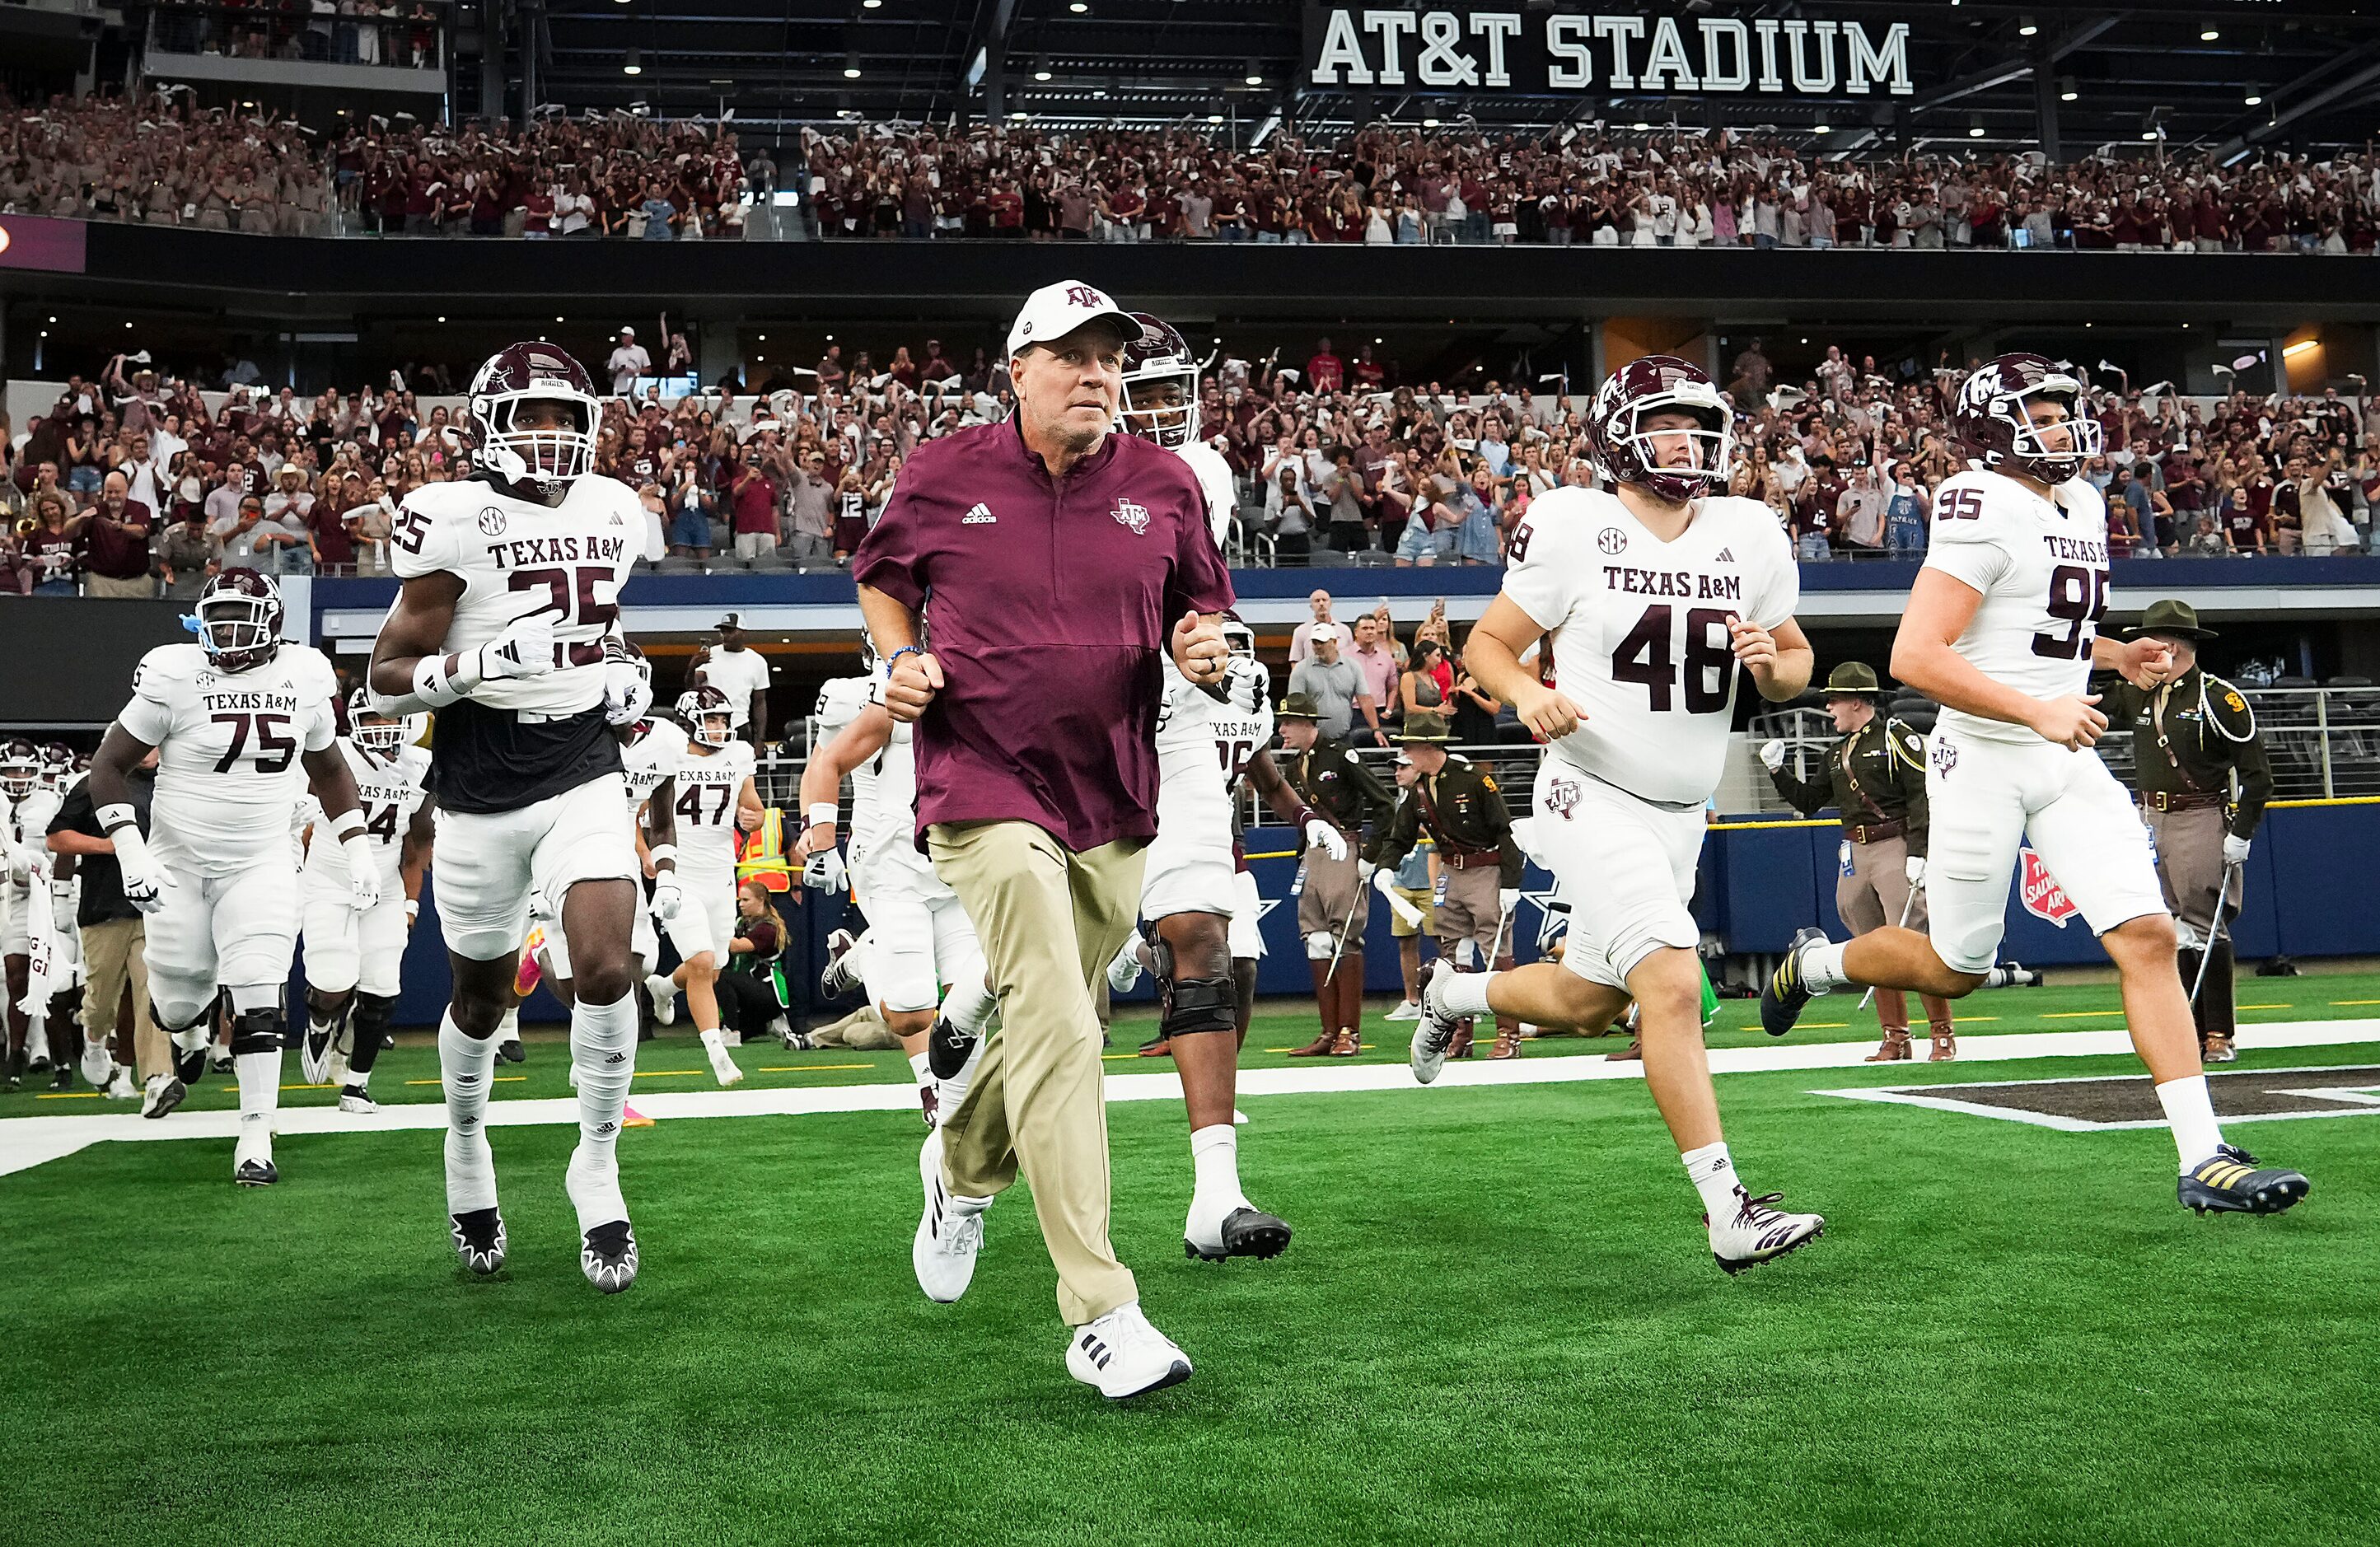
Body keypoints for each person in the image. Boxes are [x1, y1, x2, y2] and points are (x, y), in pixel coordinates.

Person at [1761, 353, 2309, 1220]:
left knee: (2150, 937)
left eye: (2064, 410)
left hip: (2061, 760)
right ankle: (1819, 962)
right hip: (1979, 757)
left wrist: (2113, 655)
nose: (2063, 425)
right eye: (2043, 413)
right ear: (1996, 425)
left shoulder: (2083, 501)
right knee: (1954, 969)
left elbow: (2042, 625)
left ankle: (2203, 1155)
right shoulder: (1976, 502)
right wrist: (2037, 711)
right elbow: (1916, 656)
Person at [852, 280, 1232, 1400]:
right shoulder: (940, 474)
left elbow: (1196, 611)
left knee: (1045, 1009)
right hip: (980, 784)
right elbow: (880, 577)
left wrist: (1200, 649)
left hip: (1113, 792)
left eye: (1110, 359)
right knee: (1065, 1018)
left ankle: (960, 1167)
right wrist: (899, 658)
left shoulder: (1163, 484)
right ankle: (1102, 1310)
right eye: (1071, 356)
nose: (1097, 375)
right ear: (1016, 370)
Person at [1431, 353, 1830, 1274]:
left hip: (1682, 808)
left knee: (1586, 999)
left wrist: (1775, 663)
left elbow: (1798, 659)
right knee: (1675, 986)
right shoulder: (1576, 523)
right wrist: (1527, 694)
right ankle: (1727, 1212)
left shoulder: (1748, 530)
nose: (1685, 442)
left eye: (1696, 425)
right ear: (1621, 435)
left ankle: (1451, 994)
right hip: (1588, 789)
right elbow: (1488, 644)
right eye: (1665, 426)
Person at [366, 341, 657, 1291]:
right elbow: (382, 679)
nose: (551, 433)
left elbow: (597, 618)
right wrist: (468, 672)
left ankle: (598, 1166)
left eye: (565, 416)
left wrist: (619, 668)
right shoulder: (451, 519)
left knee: (608, 969)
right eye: (531, 416)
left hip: (582, 762)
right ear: (490, 424)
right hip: (481, 784)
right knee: (485, 997)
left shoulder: (615, 507)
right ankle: (464, 1144)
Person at [1101, 311, 1337, 1260]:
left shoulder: (1203, 471)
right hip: (1074, 728)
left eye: (1170, 392)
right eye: (1142, 392)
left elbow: (1197, 596)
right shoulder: (1038, 470)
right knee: (1032, 972)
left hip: (1181, 720)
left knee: (1199, 935)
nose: (1160, 412)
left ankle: (1216, 1196)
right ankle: (958, 1058)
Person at [88, 569, 367, 1185]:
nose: (229, 633)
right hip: (179, 863)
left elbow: (329, 769)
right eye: (219, 620)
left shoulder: (302, 676)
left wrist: (358, 847)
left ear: (272, 624)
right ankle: (190, 1030)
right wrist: (132, 850)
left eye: (243, 619)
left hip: (261, 860)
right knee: (180, 1002)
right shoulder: (174, 673)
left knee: (259, 989)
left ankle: (256, 1135)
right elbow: (107, 766)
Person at [795, 662, 999, 1124]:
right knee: (910, 1014)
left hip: (959, 855)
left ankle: (955, 1111)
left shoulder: (982, 674)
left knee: (971, 994)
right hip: (889, 853)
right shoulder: (863, 693)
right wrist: (818, 834)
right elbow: (823, 764)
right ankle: (862, 958)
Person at [2097, 601, 2272, 1064]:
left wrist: (2243, 832)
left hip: (2199, 816)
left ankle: (2218, 1032)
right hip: (2149, 820)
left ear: (2171, 646)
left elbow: (2257, 775)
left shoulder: (2219, 698)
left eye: (2149, 643)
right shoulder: (2135, 692)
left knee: (2203, 923)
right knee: (2167, 927)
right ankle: (2184, 1029)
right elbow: (2086, 693)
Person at [1759, 662, 1957, 1062]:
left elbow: (1921, 796)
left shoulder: (1898, 738)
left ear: (1856, 701)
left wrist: (1918, 851)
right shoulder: (1836, 754)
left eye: (1834, 700)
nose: (1828, 707)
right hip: (1855, 852)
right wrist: (1777, 771)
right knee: (1872, 951)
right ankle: (1895, 1037)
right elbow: (1809, 802)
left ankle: (1942, 1033)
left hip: (1894, 847)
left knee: (1914, 943)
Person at [295, 690, 433, 1112]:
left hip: (386, 885)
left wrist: (410, 904)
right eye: (371, 719)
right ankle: (321, 1022)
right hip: (330, 877)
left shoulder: (420, 766)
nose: (382, 726)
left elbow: (418, 845)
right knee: (333, 978)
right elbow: (304, 828)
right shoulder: (334, 757)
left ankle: (357, 1085)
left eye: (387, 717)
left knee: (383, 984)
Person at [1363, 711, 1525, 1058]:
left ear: (1428, 747)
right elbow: (1399, 836)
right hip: (1450, 874)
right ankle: (1461, 1035)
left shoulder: (1472, 780)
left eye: (1409, 747)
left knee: (1496, 952)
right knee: (1454, 955)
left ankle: (1508, 1035)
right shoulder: (1418, 790)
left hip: (1485, 870)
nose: (1405, 754)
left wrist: (1510, 882)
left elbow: (1505, 831)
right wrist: (1386, 867)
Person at [46, 744, 176, 1113]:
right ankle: (93, 1035)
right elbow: (57, 838)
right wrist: (111, 845)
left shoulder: (172, 784)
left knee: (153, 995)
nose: (150, 751)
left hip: (154, 908)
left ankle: (157, 1080)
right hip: (104, 907)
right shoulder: (95, 784)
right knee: (101, 999)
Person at [645, 685, 764, 1087]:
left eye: (723, 719)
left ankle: (663, 987)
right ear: (690, 721)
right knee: (699, 962)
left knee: (712, 969)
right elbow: (634, 812)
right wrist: (647, 854)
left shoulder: (737, 755)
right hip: (679, 875)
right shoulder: (668, 754)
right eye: (712, 719)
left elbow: (755, 808)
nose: (720, 727)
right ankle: (717, 1052)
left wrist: (754, 820)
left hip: (721, 874)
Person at [1276, 690, 1397, 1057]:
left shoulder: (1340, 755)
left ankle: (1350, 1031)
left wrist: (1371, 855)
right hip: (1313, 854)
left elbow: (1384, 803)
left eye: (1289, 723)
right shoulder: (1292, 766)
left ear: (1308, 724)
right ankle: (1328, 1031)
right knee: (1314, 938)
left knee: (1345, 935)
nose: (1282, 730)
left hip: (1345, 845)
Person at [1288, 623, 1385, 745]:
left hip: (1344, 738)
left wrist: (1376, 729)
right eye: (1315, 642)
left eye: (1322, 642)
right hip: (1311, 741)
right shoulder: (1301, 669)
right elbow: (1294, 706)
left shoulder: (1353, 666)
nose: (1318, 646)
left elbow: (1364, 699)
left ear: (1334, 642)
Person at [691, 612, 771, 745]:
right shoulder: (711, 654)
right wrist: (692, 667)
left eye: (730, 631)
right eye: (723, 632)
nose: (725, 636)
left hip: (740, 724)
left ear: (743, 633)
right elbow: (693, 689)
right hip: (712, 724)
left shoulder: (757, 661)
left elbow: (760, 702)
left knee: (742, 766)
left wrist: (760, 738)